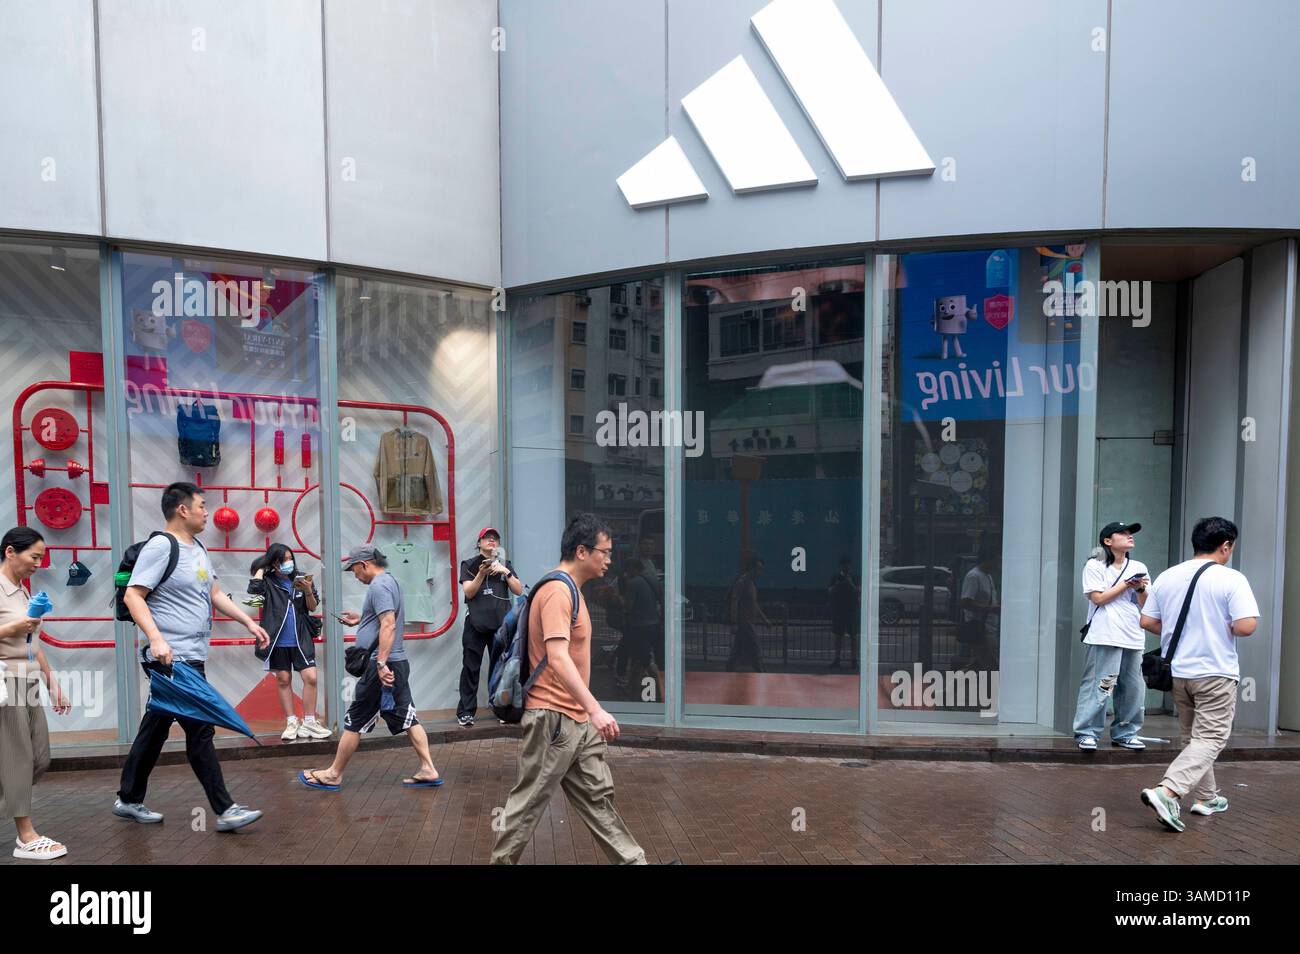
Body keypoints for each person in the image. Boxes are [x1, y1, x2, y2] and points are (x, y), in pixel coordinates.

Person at [490, 513, 646, 865]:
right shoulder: (558, 592)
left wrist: (586, 713)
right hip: (553, 719)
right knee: (527, 804)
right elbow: (558, 658)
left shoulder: (571, 590)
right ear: (581, 551)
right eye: (604, 552)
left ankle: (635, 862)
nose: (609, 559)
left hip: (574, 719)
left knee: (597, 799)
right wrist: (595, 709)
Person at [114, 482, 270, 832]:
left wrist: (248, 621)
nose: (207, 511)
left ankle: (128, 798)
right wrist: (156, 639)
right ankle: (225, 809)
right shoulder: (160, 547)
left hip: (191, 655)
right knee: (200, 729)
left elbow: (214, 592)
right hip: (170, 658)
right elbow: (134, 597)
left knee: (155, 729)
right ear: (182, 509)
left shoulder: (198, 548)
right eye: (201, 505)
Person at [1139, 517, 1259, 832]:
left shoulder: (1167, 576)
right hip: (1215, 672)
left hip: (1179, 673)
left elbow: (1148, 622)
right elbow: (1246, 626)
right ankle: (1168, 792)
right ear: (1226, 545)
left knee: (1194, 738)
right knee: (1212, 738)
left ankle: (1207, 798)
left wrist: (1185, 630)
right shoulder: (1232, 579)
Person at [299, 544, 441, 790]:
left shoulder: (379, 586)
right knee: (407, 716)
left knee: (356, 719)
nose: (355, 575)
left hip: (383, 666)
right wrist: (361, 619)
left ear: (364, 564)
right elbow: (384, 620)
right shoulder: (389, 582)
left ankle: (333, 774)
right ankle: (428, 768)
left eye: (354, 570)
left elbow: (389, 624)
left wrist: (380, 663)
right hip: (395, 662)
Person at [0, 527, 71, 860]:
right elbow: (16, 634)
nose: (38, 564)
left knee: (40, 757)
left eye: (41, 558)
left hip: (28, 683)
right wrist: (13, 628)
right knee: (18, 759)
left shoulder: (23, 593)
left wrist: (52, 684)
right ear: (11, 552)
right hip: (6, 684)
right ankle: (25, 836)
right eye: (35, 556)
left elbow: (34, 645)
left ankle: (13, 802)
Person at [1072, 521, 1150, 751]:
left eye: (1131, 534)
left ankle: (1126, 732)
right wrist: (1127, 584)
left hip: (1133, 635)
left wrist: (1139, 588)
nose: (1129, 537)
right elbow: (1097, 598)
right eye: (1123, 533)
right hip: (1105, 634)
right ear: (1108, 541)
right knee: (1101, 685)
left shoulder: (1139, 566)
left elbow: (1146, 604)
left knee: (1133, 687)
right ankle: (1086, 732)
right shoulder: (1095, 566)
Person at [249, 543, 331, 741]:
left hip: (300, 638)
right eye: (282, 560)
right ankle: (292, 721)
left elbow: (312, 607)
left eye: (289, 558)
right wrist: (262, 568)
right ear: (274, 563)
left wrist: (309, 589)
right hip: (277, 638)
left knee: (310, 677)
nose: (288, 562)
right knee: (283, 679)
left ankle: (310, 722)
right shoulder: (268, 581)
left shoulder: (302, 578)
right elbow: (253, 590)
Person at [457, 527, 522, 726]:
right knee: (470, 668)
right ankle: (466, 712)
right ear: (479, 543)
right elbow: (468, 592)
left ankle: (502, 710)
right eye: (487, 538)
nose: (491, 540)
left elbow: (518, 590)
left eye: (495, 538)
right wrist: (481, 574)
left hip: (501, 626)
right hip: (475, 624)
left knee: (502, 669)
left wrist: (506, 572)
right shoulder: (469, 564)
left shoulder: (505, 564)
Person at [617, 557, 661, 691]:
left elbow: (628, 606)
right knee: (641, 654)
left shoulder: (633, 583)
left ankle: (655, 680)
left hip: (637, 625)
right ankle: (633, 682)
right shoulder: (654, 580)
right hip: (654, 623)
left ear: (632, 569)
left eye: (627, 570)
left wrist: (619, 598)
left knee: (633, 653)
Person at [956, 546, 1000, 673]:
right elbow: (965, 602)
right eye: (996, 561)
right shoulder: (973, 576)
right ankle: (993, 692)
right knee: (993, 666)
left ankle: (946, 691)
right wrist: (991, 608)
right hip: (981, 629)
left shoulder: (988, 577)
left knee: (976, 666)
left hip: (989, 627)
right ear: (988, 560)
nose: (998, 564)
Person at [727, 556, 769, 673]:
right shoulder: (742, 582)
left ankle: (728, 671)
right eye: (759, 569)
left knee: (737, 651)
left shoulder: (751, 584)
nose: (760, 572)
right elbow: (734, 601)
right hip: (745, 623)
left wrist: (764, 620)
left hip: (748, 623)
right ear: (752, 568)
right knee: (755, 650)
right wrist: (733, 622)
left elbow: (753, 604)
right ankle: (762, 674)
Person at [828, 556, 860, 669]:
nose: (846, 567)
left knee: (853, 635)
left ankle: (854, 660)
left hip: (851, 609)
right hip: (839, 609)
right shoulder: (836, 577)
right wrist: (838, 584)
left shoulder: (854, 577)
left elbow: (858, 590)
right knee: (838, 635)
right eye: (844, 565)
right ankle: (837, 659)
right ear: (841, 566)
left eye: (847, 565)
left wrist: (849, 582)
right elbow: (830, 591)